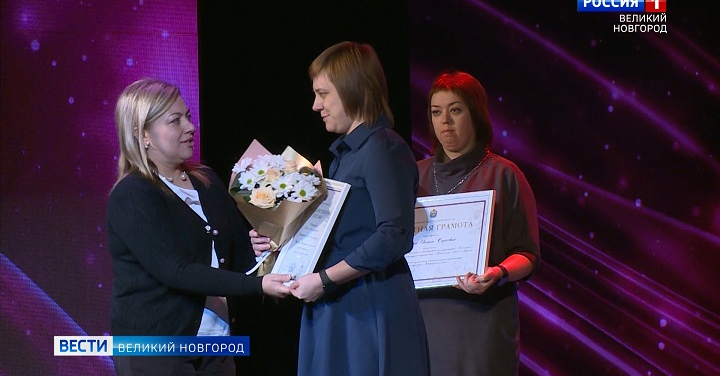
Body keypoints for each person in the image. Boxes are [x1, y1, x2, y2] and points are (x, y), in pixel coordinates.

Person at [250, 41, 430, 376]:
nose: (315, 105)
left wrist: (325, 280)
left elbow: (394, 235)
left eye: (323, 94)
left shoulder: (383, 148)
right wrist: (276, 241)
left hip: (369, 304)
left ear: (354, 89)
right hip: (337, 302)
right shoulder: (345, 156)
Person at [106, 78, 292, 376]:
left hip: (216, 346)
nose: (190, 127)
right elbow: (176, 270)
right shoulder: (133, 194)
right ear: (142, 134)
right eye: (175, 120)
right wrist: (258, 286)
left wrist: (260, 249)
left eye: (188, 117)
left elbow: (236, 257)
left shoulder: (206, 181)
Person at [416, 70, 541, 375]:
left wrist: (497, 273)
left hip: (481, 324)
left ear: (476, 114)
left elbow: (527, 255)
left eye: (455, 110)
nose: (445, 121)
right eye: (436, 112)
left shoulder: (504, 174)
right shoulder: (414, 175)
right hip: (422, 322)